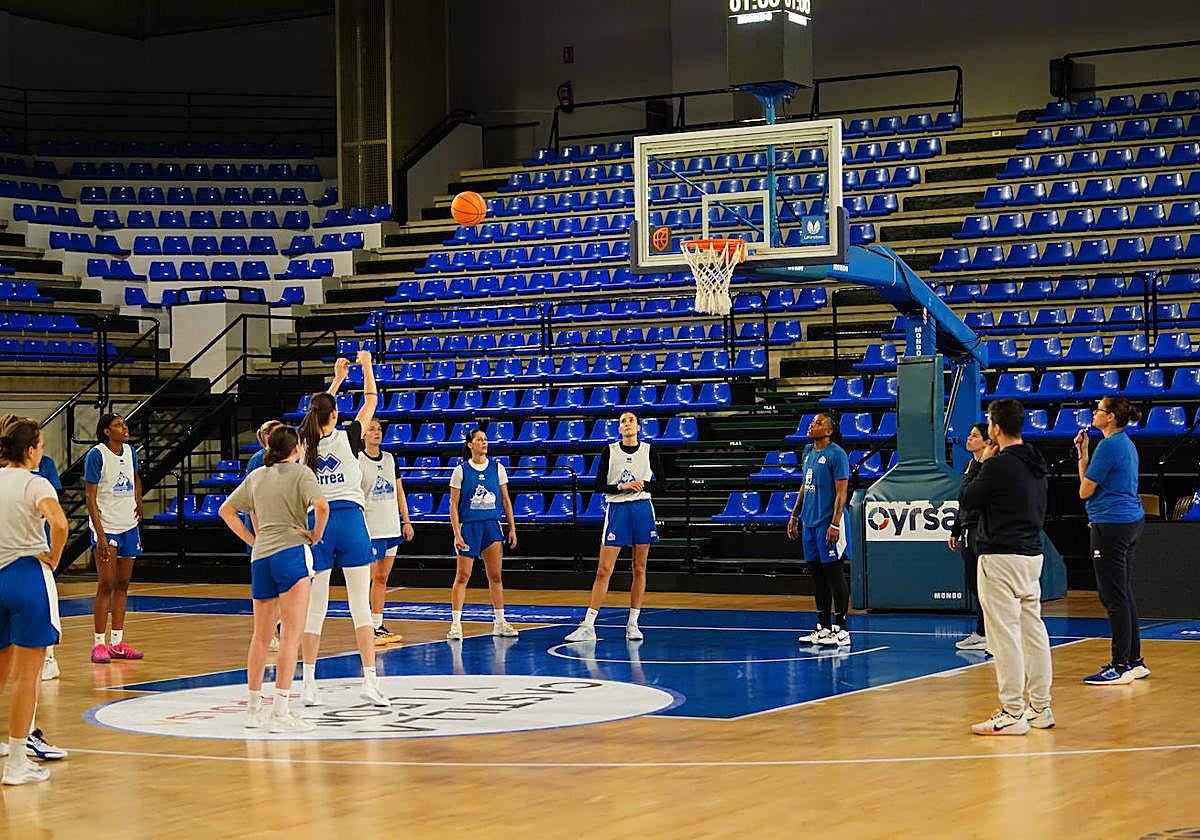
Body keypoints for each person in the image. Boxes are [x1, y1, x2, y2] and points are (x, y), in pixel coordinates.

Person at [219, 425, 328, 732]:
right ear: (296, 449)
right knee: (291, 636)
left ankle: (253, 710)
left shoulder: (256, 476)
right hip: (291, 553)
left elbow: (226, 510)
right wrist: (316, 535)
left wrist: (252, 540)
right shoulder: (302, 473)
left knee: (260, 637)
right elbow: (322, 506)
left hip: (261, 557)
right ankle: (280, 711)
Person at [297, 352, 390, 707]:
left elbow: (317, 411)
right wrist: (365, 366)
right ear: (335, 415)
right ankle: (369, 681)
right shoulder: (350, 436)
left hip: (317, 524)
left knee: (315, 609)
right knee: (360, 607)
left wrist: (336, 380)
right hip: (350, 520)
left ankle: (308, 684)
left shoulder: (304, 441)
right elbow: (371, 400)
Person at [960, 398, 1053, 735]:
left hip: (1000, 555)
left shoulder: (997, 465)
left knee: (1004, 636)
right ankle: (1040, 706)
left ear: (996, 429)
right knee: (1033, 630)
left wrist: (983, 464)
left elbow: (968, 499)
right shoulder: (1036, 461)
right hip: (1031, 554)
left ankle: (1013, 711)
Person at [0, 418, 68, 784]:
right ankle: (16, 763)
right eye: (40, 446)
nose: (42, 452)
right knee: (28, 677)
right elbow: (59, 523)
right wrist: (54, 557)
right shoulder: (36, 482)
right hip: (27, 575)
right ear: (29, 451)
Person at [564, 411, 664, 642]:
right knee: (604, 569)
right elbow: (599, 485)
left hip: (642, 508)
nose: (627, 424)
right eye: (623, 422)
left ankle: (633, 623)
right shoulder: (609, 451)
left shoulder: (649, 450)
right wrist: (621, 487)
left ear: (638, 427)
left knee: (639, 568)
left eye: (631, 421)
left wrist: (643, 484)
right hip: (617, 510)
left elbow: (663, 485)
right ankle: (588, 625)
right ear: (619, 429)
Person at [1074, 396, 1149, 686]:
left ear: (1112, 417)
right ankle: (1135, 661)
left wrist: (1084, 459)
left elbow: (1084, 491)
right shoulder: (1124, 443)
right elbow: (1090, 483)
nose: (1094, 413)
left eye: (1099, 410)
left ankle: (1119, 666)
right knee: (1123, 592)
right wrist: (1083, 453)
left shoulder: (1109, 446)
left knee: (1113, 596)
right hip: (1130, 521)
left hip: (1111, 524)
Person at [447, 428, 518, 641]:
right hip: (469, 526)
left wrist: (512, 527)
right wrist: (457, 533)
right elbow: (453, 504)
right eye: (479, 440)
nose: (484, 442)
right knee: (463, 576)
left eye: (485, 439)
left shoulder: (497, 468)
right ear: (470, 445)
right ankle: (456, 624)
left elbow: (506, 500)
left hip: (491, 525)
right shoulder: (460, 470)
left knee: (495, 576)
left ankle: (500, 622)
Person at [786, 413, 851, 647]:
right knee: (817, 576)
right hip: (810, 523)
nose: (812, 425)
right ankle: (823, 627)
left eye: (818, 423)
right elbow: (805, 485)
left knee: (834, 574)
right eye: (812, 422)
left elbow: (842, 493)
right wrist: (795, 514)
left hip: (828, 522)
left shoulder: (837, 454)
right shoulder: (807, 452)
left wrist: (835, 523)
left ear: (829, 431)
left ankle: (842, 629)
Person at [84, 413, 144, 664]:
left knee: (123, 583)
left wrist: (138, 499)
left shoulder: (130, 452)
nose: (125, 428)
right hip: (106, 527)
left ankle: (117, 643)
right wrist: (99, 534)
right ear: (107, 431)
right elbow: (90, 496)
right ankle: (98, 644)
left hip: (128, 525)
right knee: (106, 584)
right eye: (118, 425)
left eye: (125, 424)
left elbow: (136, 477)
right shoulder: (96, 455)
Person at [359, 418, 414, 646]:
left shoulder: (391, 459)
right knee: (368, 579)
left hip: (391, 527)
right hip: (370, 528)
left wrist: (406, 521)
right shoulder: (358, 460)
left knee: (382, 578)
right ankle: (366, 626)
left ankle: (377, 624)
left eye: (379, 429)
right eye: (371, 429)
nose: (376, 432)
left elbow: (399, 492)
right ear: (363, 434)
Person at [948, 422, 991, 652]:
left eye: (974, 436)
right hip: (967, 528)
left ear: (987, 441)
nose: (969, 438)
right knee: (973, 583)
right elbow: (963, 500)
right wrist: (956, 529)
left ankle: (989, 633)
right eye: (969, 434)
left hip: (982, 529)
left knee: (986, 584)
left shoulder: (990, 465)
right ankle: (981, 631)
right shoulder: (969, 464)